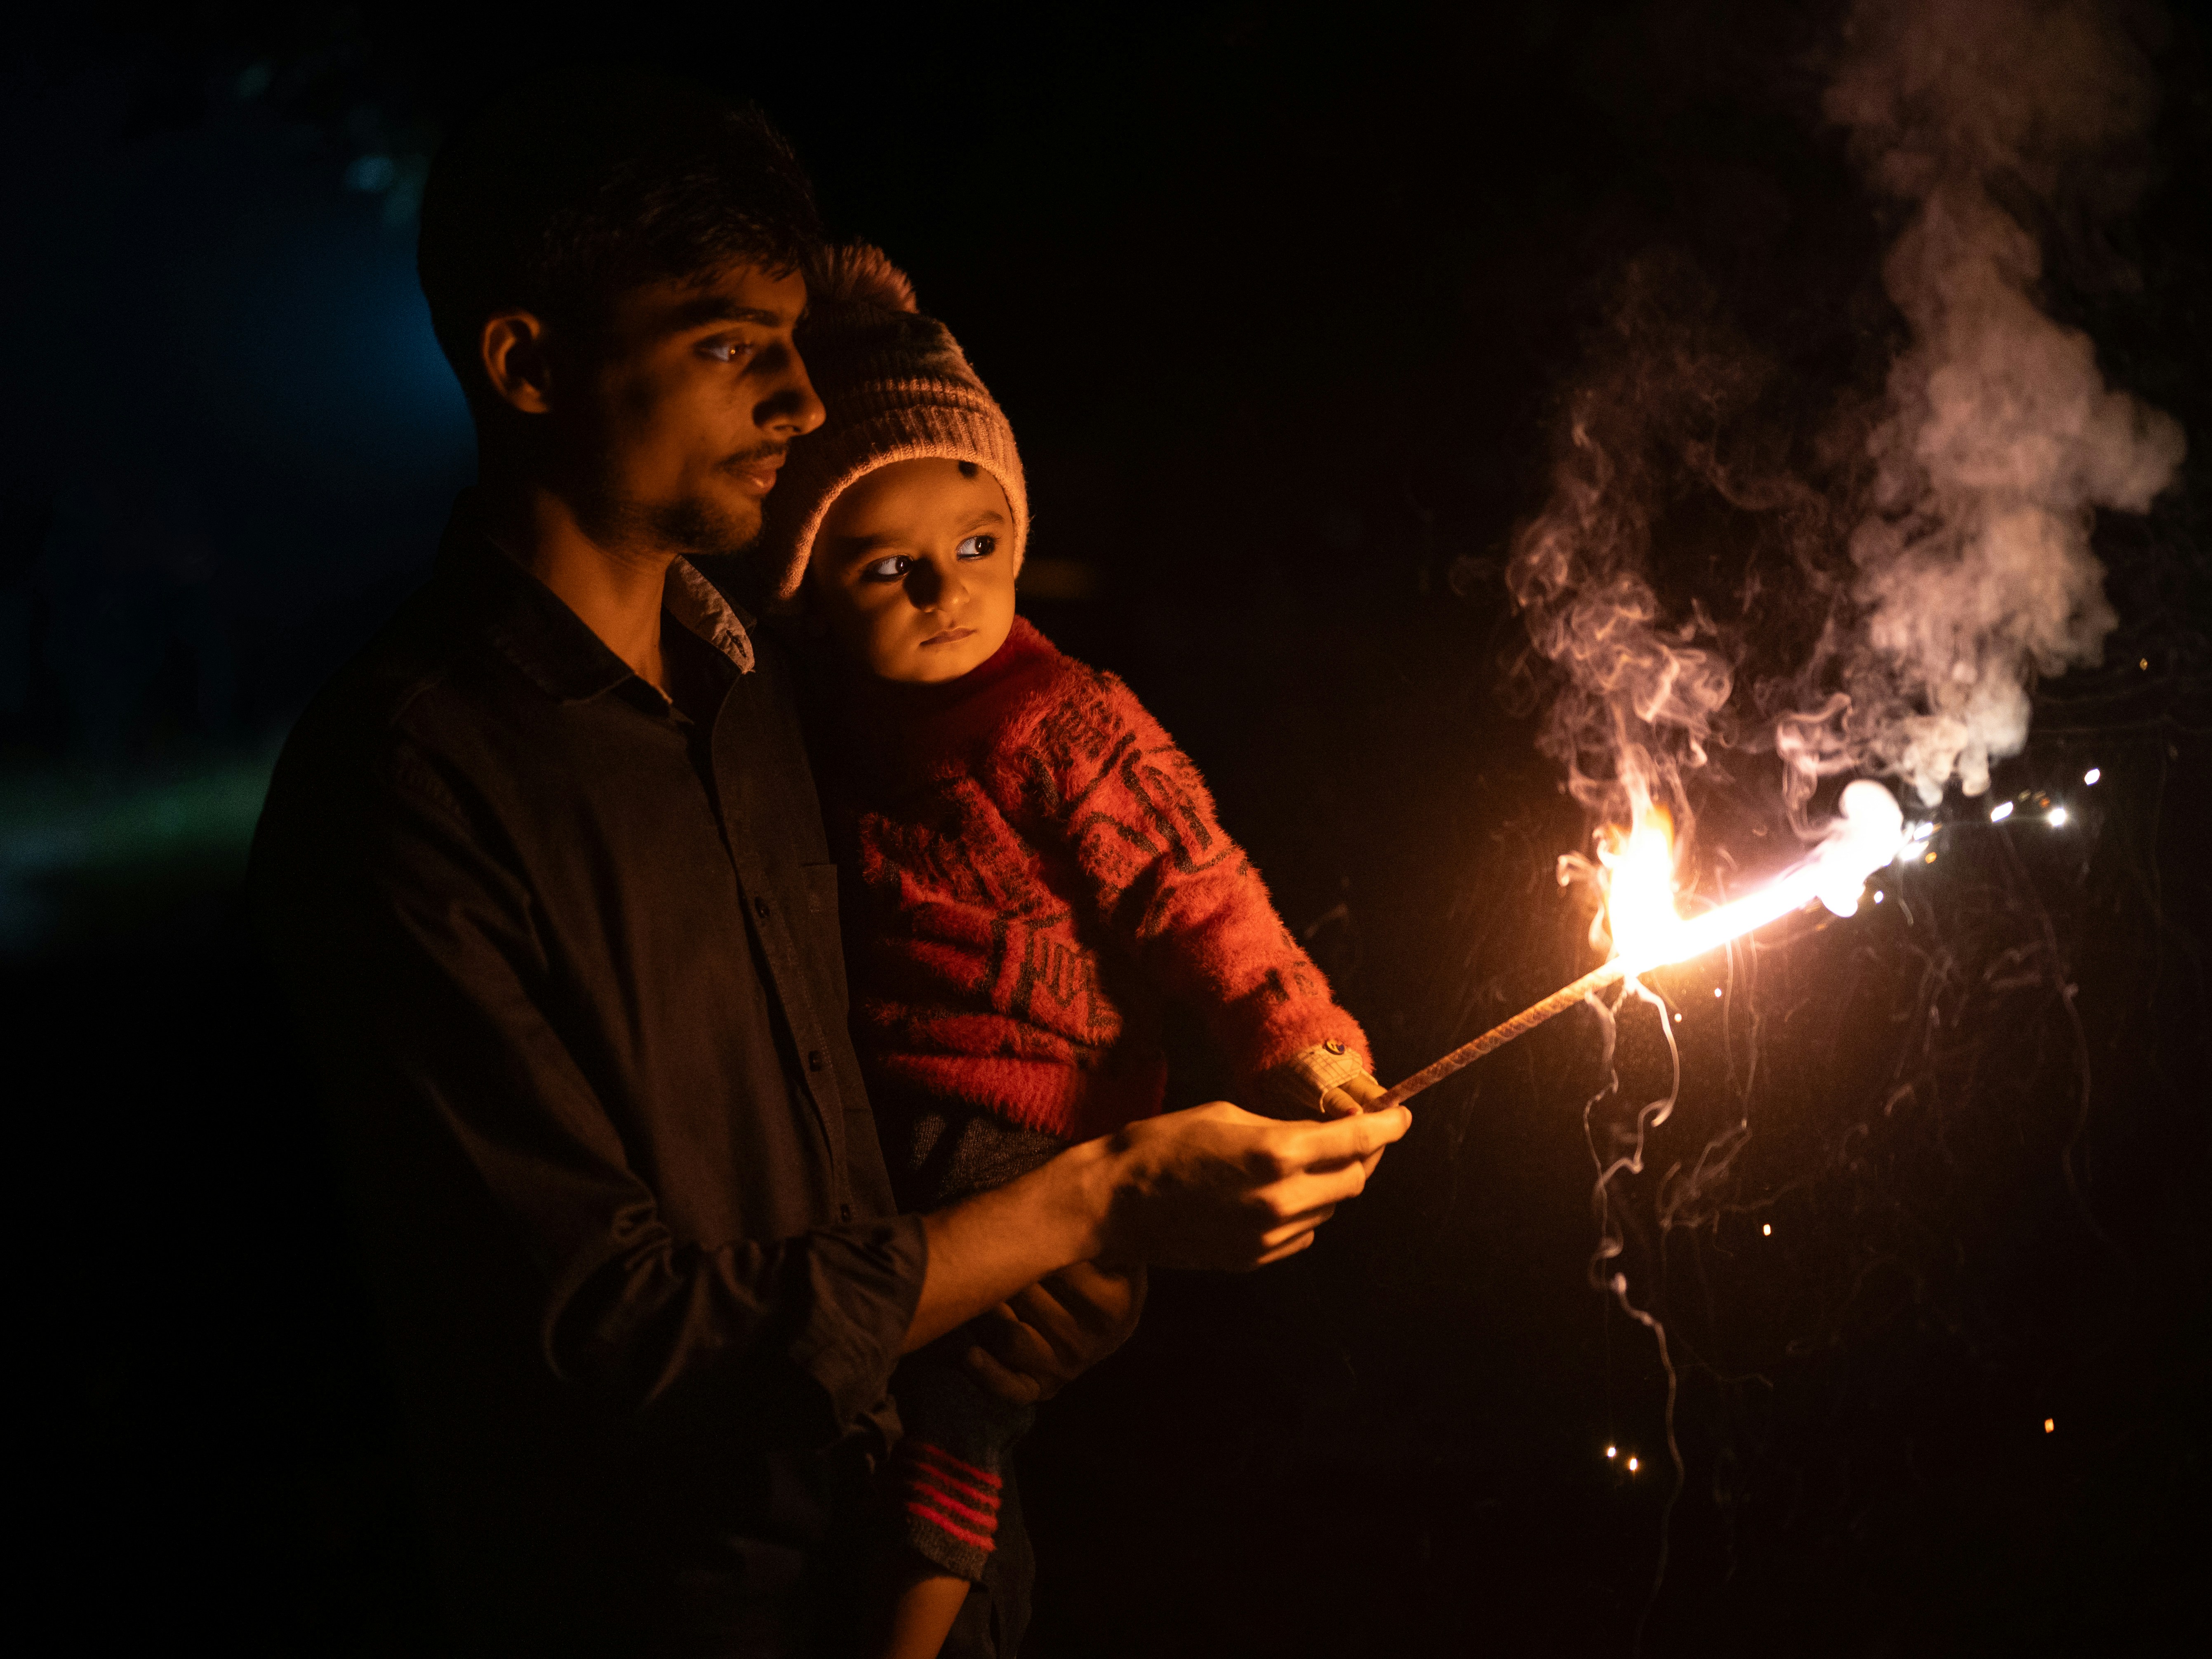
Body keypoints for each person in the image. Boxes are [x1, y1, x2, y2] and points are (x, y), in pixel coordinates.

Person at [247, 72, 1409, 1658]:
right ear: (527, 364)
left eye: (795, 344)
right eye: (731, 347)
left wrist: (1063, 1262)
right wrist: (1084, 1202)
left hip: (931, 1567)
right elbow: (604, 1339)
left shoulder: (783, 703)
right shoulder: (412, 788)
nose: (799, 403)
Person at [744, 245, 1391, 1659]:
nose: (946, 593)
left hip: (1025, 1111)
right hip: (886, 1123)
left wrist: (1301, 1043)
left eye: (976, 547)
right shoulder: (819, 733)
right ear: (804, 590)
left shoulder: (1060, 722)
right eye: (887, 569)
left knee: (965, 1405)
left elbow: (1193, 885)